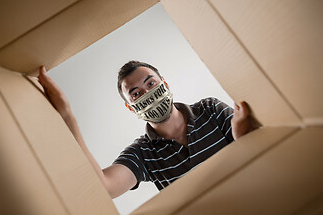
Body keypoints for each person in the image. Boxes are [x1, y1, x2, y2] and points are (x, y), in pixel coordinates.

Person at [38, 61, 256, 199]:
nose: (146, 93)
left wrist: (241, 137)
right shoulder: (142, 154)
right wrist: (67, 117)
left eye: (150, 84)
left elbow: (255, 147)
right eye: (135, 93)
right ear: (130, 107)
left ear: (165, 85)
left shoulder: (210, 108)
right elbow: (105, 188)